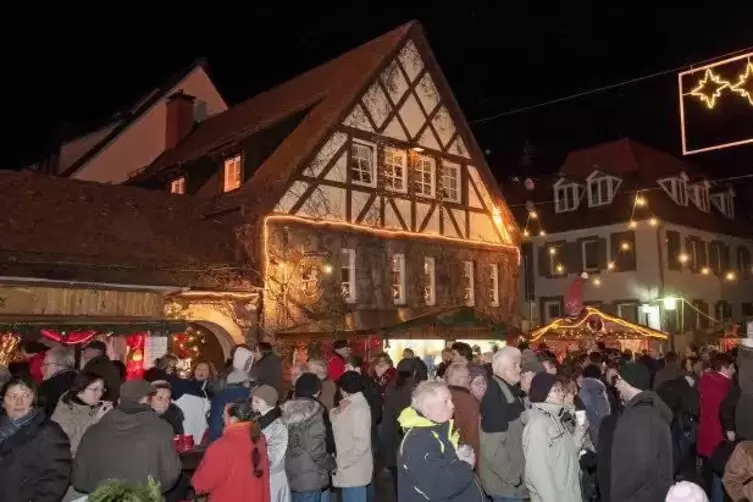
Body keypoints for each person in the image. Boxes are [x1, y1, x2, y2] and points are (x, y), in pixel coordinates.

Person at [72, 380, 181, 494]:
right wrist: (149, 492)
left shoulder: (93, 430)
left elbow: (79, 478)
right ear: (144, 399)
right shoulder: (161, 428)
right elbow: (170, 474)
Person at [397, 380, 483, 502]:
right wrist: (466, 464)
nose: (452, 405)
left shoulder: (436, 430)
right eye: (446, 401)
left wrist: (458, 457)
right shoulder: (418, 442)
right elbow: (440, 487)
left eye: (451, 400)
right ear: (427, 409)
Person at [0, 375, 72, 502]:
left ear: (34, 400)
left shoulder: (49, 432)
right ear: (3, 402)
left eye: (26, 395)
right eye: (12, 396)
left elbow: (56, 478)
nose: (19, 402)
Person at [610, 362, 673, 502]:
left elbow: (637, 468)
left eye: (618, 380)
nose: (616, 385)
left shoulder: (638, 417)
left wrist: (619, 496)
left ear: (629, 383)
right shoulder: (652, 408)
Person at [192, 399, 271, 502]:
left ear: (233, 419)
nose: (221, 417)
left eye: (224, 414)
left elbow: (201, 485)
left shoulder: (221, 446)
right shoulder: (260, 439)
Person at [523, 373, 583, 502]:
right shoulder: (538, 425)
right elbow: (539, 473)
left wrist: (580, 430)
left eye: (561, 389)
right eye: (556, 390)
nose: (562, 394)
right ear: (543, 394)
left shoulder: (556, 418)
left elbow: (571, 452)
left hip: (568, 493)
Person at [479, 347, 528, 502]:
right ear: (504, 368)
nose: (520, 369)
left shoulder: (508, 391)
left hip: (510, 484)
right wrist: (515, 477)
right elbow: (492, 448)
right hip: (506, 487)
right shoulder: (495, 397)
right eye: (516, 365)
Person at [331, 372, 373, 502]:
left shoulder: (359, 408)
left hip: (354, 470)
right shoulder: (349, 404)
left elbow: (361, 444)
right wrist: (338, 410)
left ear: (344, 389)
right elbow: (335, 420)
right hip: (348, 470)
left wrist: (340, 463)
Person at [251, 385, 291, 502]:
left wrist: (255, 461)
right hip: (261, 473)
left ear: (268, 402)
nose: (253, 403)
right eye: (252, 400)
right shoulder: (257, 419)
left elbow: (275, 454)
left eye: (257, 401)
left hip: (272, 476)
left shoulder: (278, 424)